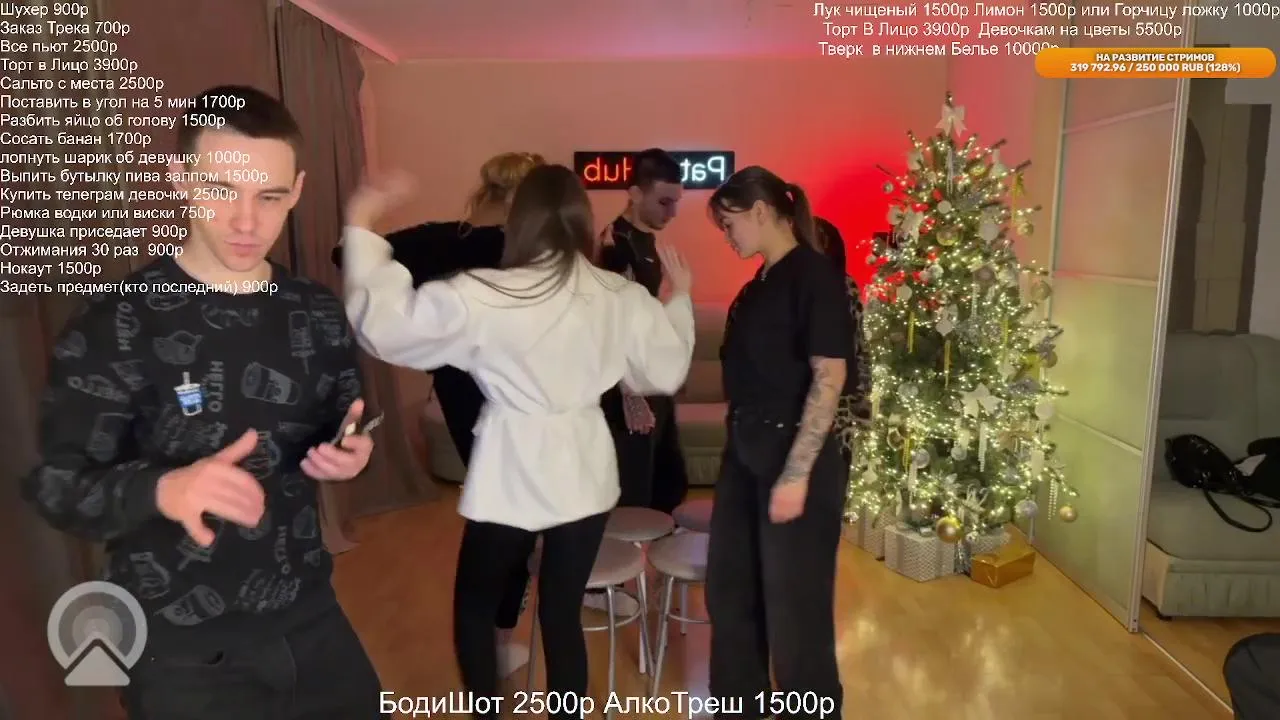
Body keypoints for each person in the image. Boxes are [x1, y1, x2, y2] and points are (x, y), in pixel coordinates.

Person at [19, 85, 382, 719]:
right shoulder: (116, 322)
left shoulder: (316, 312)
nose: (246, 222)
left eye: (269, 197)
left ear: (297, 191)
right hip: (179, 652)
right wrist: (163, 489)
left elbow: (344, 419)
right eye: (221, 190)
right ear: (180, 179)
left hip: (312, 618)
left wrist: (352, 450)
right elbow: (56, 486)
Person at [340, 164, 696, 719]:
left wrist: (362, 223)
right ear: (582, 221)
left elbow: (387, 327)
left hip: (512, 467)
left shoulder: (483, 292)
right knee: (561, 611)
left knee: (475, 607)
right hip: (583, 468)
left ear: (520, 221)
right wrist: (679, 299)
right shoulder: (620, 296)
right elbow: (664, 370)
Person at [331, 151, 544, 676]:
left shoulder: (439, 239)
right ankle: (496, 639)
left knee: (497, 515)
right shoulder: (529, 253)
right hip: (514, 397)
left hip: (459, 391)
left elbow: (345, 254)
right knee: (516, 522)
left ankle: (488, 642)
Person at [703, 167, 855, 719]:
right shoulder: (758, 285)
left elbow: (830, 377)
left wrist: (795, 475)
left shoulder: (815, 277)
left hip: (794, 460)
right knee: (731, 591)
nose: (727, 236)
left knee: (795, 612)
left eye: (729, 224)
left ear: (762, 211)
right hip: (744, 453)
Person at [597, 147, 691, 513]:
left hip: (652, 385)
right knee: (634, 497)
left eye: (676, 202)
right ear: (635, 194)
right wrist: (631, 395)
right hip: (629, 390)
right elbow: (611, 325)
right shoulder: (614, 246)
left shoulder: (646, 241)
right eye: (664, 202)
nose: (672, 212)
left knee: (667, 488)